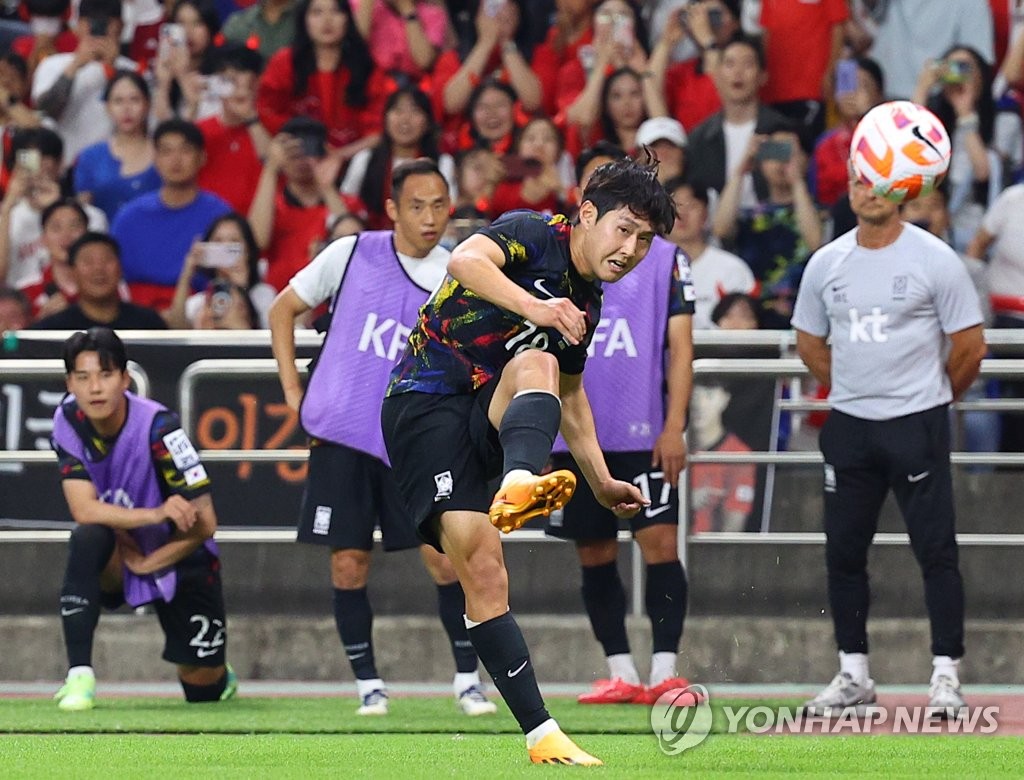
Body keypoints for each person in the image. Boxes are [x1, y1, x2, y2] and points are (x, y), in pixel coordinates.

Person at [380, 156, 675, 765]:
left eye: (645, 240)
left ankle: (518, 481)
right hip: (424, 405)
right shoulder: (535, 232)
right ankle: (541, 731)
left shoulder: (585, 302)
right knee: (481, 570)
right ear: (587, 215)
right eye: (624, 229)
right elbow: (464, 261)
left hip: (489, 413)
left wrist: (601, 480)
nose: (632, 249)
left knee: (541, 366)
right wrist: (538, 310)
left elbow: (569, 397)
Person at [269, 159, 497, 717]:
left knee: (447, 560)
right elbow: (283, 310)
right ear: (392, 209)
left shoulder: (462, 273)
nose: (429, 217)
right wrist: (294, 391)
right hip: (344, 437)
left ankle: (468, 678)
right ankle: (368, 684)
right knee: (349, 563)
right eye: (416, 205)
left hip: (417, 441)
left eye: (439, 205)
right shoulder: (350, 253)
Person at [792, 168, 987, 718]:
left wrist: (928, 395)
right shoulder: (826, 263)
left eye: (878, 181)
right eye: (858, 180)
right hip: (850, 425)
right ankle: (854, 674)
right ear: (849, 189)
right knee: (843, 554)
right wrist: (857, 388)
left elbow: (971, 346)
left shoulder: (934, 258)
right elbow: (809, 342)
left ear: (900, 191)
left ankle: (946, 674)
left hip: (917, 422)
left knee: (937, 551)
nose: (867, 190)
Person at [544, 155, 696, 707]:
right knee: (594, 552)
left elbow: (681, 349)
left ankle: (664, 672)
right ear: (587, 206)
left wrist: (674, 424)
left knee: (660, 545)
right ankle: (620, 672)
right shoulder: (553, 257)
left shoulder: (666, 260)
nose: (630, 242)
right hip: (574, 435)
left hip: (643, 433)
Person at [51, 327, 236, 710]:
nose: (95, 388)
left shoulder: (162, 430)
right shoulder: (67, 420)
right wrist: (153, 514)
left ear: (124, 378)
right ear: (70, 382)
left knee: (204, 692)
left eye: (105, 375)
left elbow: (206, 522)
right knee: (88, 536)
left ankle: (219, 673)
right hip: (121, 548)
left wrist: (150, 562)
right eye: (83, 378)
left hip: (178, 552)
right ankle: (79, 676)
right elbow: (83, 509)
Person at [110, 119, 232, 310]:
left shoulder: (220, 215)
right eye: (166, 151)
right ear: (155, 159)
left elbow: (229, 277)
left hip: (200, 312)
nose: (176, 160)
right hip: (135, 316)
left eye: (185, 150)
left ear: (202, 157)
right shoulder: (129, 217)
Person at [31, 0, 136, 166]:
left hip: (116, 167)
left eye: (107, 23)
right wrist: (75, 66)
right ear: (79, 25)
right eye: (92, 23)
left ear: (121, 26)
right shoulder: (53, 64)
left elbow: (140, 120)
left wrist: (112, 69)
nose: (99, 29)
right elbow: (46, 111)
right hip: (65, 164)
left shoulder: (132, 70)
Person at [73, 71, 162, 224]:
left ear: (147, 105)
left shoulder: (162, 152)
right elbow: (82, 212)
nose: (127, 108)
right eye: (118, 101)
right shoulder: (91, 156)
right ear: (107, 107)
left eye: (134, 100)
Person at [665, 177, 752, 329]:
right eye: (674, 206)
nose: (681, 214)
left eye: (691, 206)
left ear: (706, 214)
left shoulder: (732, 269)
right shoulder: (644, 267)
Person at [30, 233, 167, 330]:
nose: (98, 269)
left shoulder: (148, 323)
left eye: (106, 260)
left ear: (120, 268)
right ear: (73, 272)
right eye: (88, 261)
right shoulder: (54, 329)